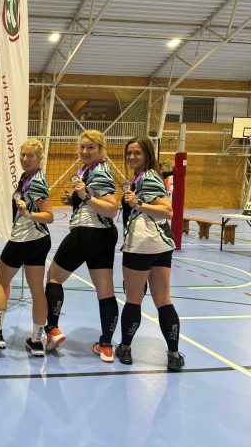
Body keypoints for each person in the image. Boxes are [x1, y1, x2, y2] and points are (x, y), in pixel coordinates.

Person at [44, 130, 119, 362]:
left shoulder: (101, 172)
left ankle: (52, 330)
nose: (85, 151)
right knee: (105, 291)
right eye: (82, 147)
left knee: (54, 277)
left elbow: (111, 209)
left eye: (90, 147)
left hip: (87, 232)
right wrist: (74, 200)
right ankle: (106, 346)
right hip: (103, 236)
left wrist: (85, 197)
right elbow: (92, 200)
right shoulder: (87, 171)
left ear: (101, 149)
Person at [116, 136, 184, 372]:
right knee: (163, 300)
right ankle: (173, 354)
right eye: (129, 153)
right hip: (160, 247)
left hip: (142, 246)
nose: (132, 157)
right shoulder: (141, 178)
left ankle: (125, 348)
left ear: (147, 154)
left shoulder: (150, 177)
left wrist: (138, 205)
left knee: (134, 299)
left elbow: (167, 211)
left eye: (137, 153)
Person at [0, 138, 54, 357]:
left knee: (0, 282)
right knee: (37, 291)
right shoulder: (27, 177)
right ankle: (36, 341)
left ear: (39, 158)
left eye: (30, 155)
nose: (25, 159)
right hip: (39, 241)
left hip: (24, 240)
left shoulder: (37, 181)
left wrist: (28, 214)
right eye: (23, 155)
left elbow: (49, 216)